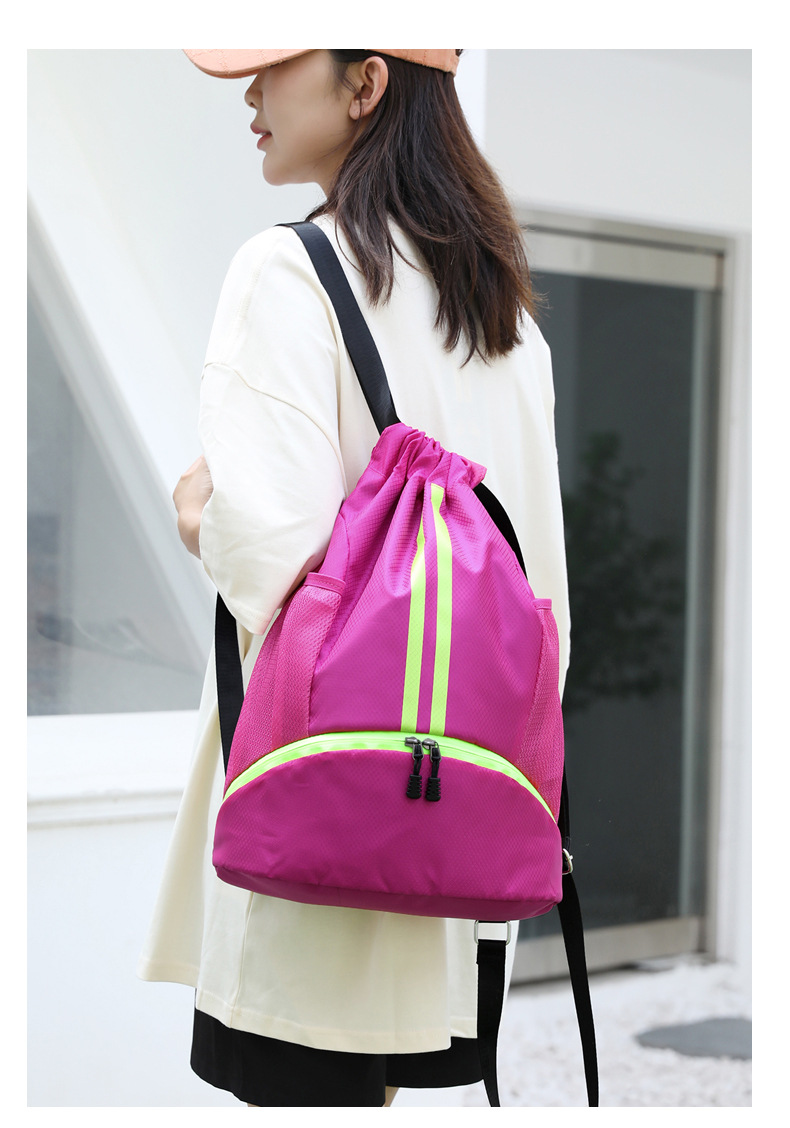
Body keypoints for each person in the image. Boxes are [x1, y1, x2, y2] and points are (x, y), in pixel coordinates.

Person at [138, 49, 570, 1108]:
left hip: (324, 802)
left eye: (274, 67)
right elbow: (541, 585)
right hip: (461, 813)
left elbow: (272, 556)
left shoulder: (290, 270)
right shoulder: (506, 318)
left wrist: (197, 516)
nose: (250, 94)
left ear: (366, 85)